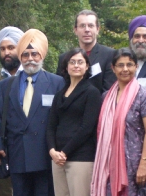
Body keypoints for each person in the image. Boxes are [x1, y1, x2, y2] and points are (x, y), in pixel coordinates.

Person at [0, 29, 64, 196]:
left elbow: (62, 119)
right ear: (20, 57)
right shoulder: (6, 85)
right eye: (25, 54)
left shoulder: (56, 82)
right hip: (17, 153)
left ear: (42, 55)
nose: (30, 58)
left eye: (34, 54)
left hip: (44, 154)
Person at [90, 48, 146, 196]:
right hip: (108, 163)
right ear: (113, 68)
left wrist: (144, 164)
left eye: (129, 64)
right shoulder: (106, 97)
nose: (125, 69)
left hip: (135, 165)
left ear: (136, 67)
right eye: (120, 65)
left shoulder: (145, 96)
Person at [46, 48, 101, 196]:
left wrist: (64, 152)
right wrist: (52, 151)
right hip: (57, 159)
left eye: (80, 62)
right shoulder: (59, 94)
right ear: (66, 66)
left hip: (80, 158)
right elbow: (51, 125)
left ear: (87, 66)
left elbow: (87, 128)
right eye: (72, 62)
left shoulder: (92, 93)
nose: (76, 65)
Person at [0, 26, 24, 196]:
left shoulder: (35, 74)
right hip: (0, 150)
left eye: (11, 48)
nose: (6, 53)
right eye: (3, 49)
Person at [56, 10, 116, 93]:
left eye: (91, 26)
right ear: (75, 30)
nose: (87, 30)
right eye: (82, 26)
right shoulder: (64, 58)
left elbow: (109, 91)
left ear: (98, 29)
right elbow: (60, 89)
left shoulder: (110, 55)